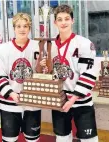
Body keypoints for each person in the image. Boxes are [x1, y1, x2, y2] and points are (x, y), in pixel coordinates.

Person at [39, 5, 99, 142]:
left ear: (73, 20)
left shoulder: (83, 43)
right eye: (59, 19)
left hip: (80, 101)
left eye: (67, 18)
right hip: (59, 100)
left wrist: (73, 99)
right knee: (62, 137)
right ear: (55, 23)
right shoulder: (51, 46)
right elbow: (51, 75)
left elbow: (89, 74)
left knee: (89, 139)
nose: (63, 22)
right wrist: (45, 68)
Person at [0, 13, 42, 142]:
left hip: (32, 103)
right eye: (19, 26)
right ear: (14, 28)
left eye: (25, 26)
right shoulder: (3, 49)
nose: (22, 29)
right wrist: (12, 94)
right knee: (9, 139)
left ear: (29, 28)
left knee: (32, 139)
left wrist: (45, 69)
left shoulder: (38, 46)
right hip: (9, 104)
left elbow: (42, 74)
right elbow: (0, 75)